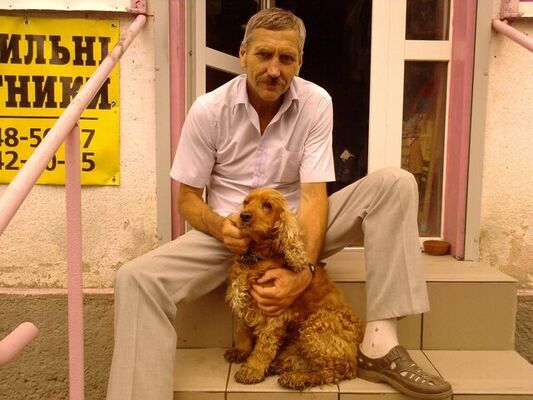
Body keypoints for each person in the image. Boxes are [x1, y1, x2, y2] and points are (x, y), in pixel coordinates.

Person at [106, 7, 452, 400]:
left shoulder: (316, 102)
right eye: (264, 55)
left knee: (395, 183)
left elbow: (313, 195)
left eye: (286, 58)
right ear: (243, 54)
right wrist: (221, 227)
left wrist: (304, 271)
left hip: (292, 232)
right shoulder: (209, 109)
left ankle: (380, 344)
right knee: (134, 279)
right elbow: (187, 198)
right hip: (229, 237)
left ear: (299, 62)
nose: (274, 70)